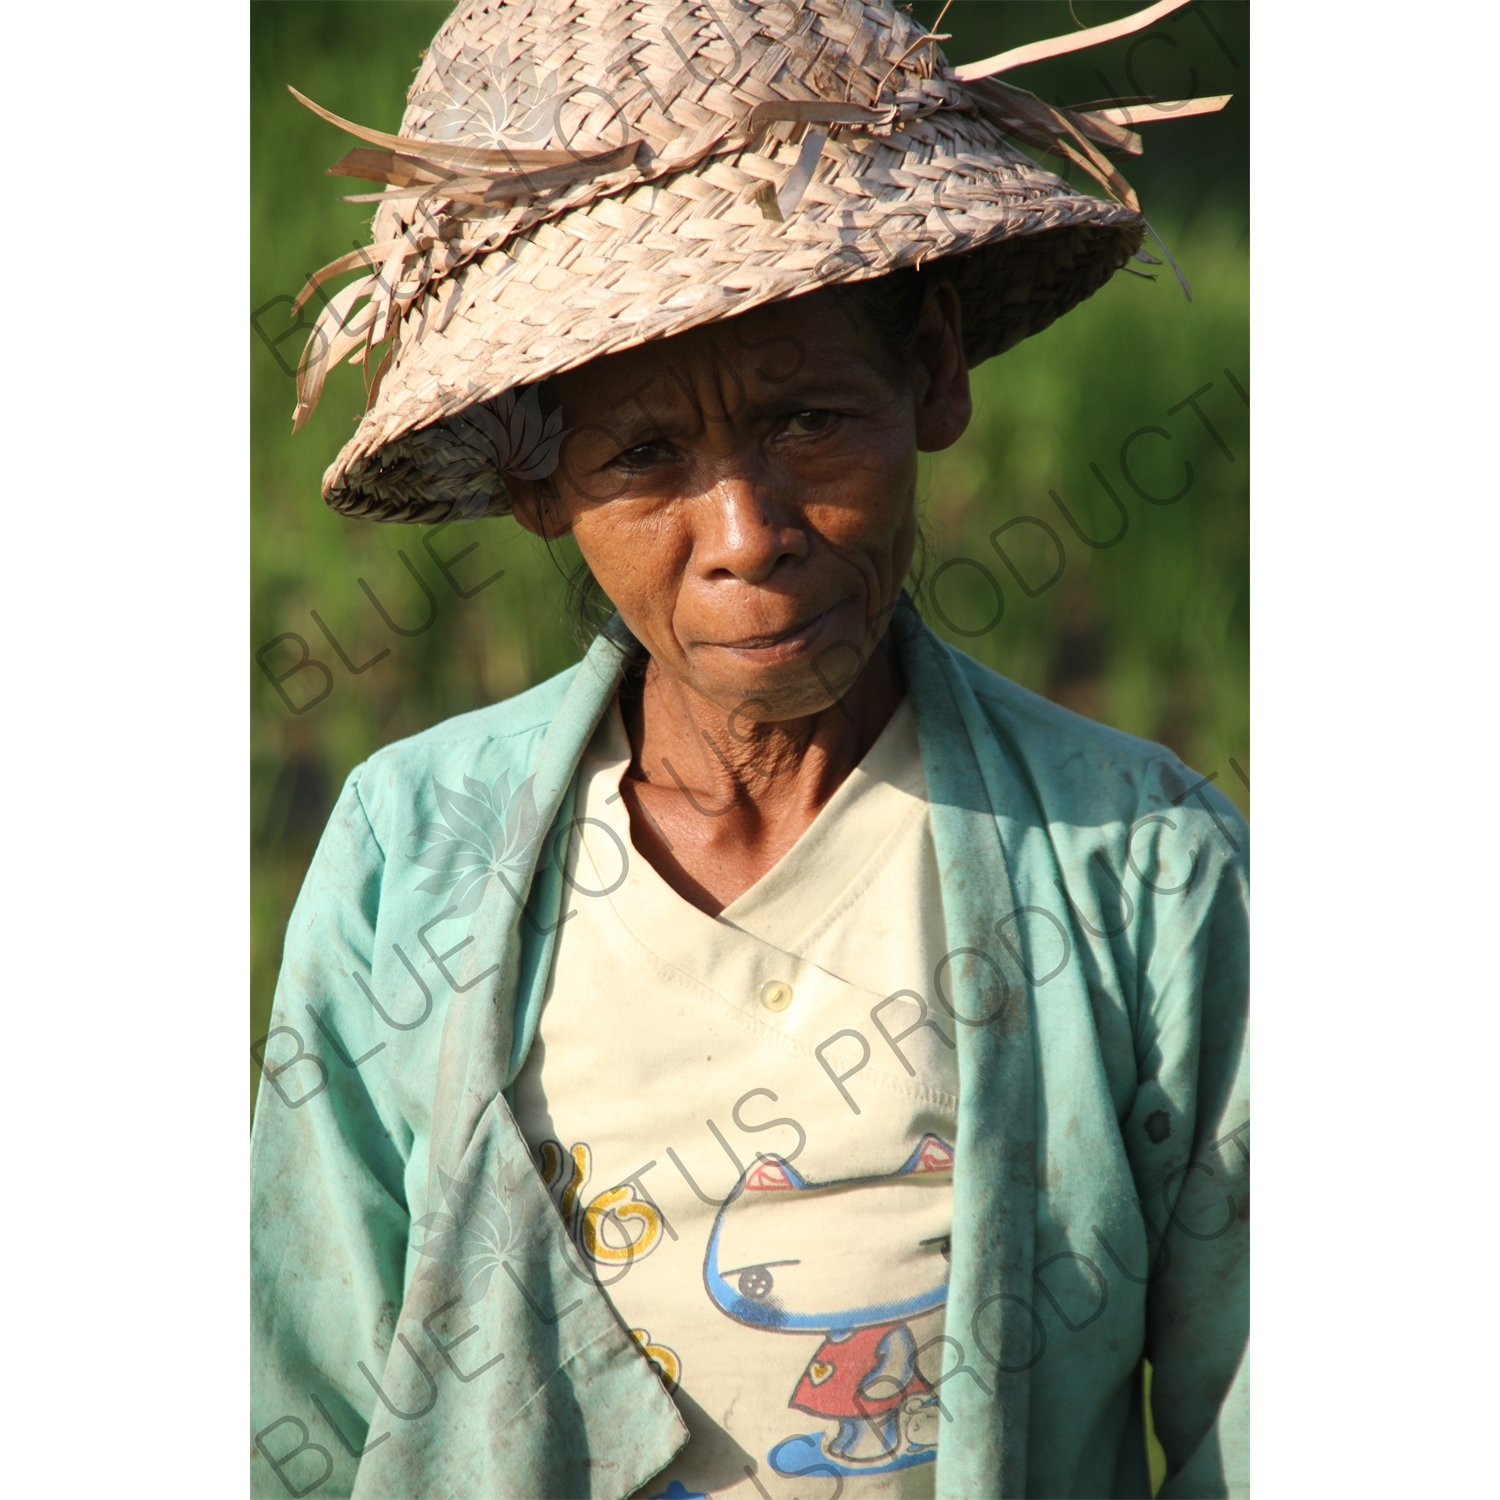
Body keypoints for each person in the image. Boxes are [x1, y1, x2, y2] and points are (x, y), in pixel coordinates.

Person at [251, 3, 1247, 1497]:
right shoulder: (416, 853)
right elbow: (308, 1397)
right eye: (643, 457)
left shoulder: (1137, 862)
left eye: (808, 422)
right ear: (539, 478)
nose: (747, 540)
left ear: (932, 378)